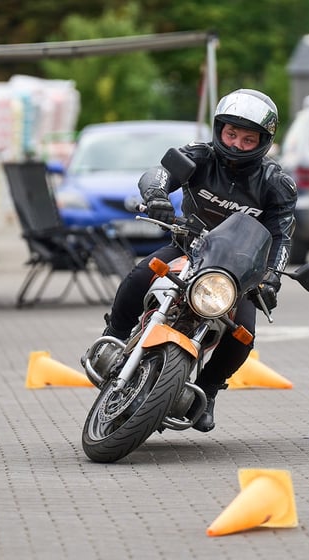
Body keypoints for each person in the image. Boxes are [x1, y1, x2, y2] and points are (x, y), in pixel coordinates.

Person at [92, 88, 297, 432]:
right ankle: (112, 337)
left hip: (235, 273)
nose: (236, 144)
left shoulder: (277, 183)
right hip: (187, 248)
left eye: (248, 139)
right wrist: (157, 195)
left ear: (264, 141)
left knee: (244, 332)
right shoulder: (199, 156)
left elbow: (282, 235)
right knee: (140, 275)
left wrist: (272, 277)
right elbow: (158, 174)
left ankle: (209, 390)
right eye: (231, 134)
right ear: (219, 129)